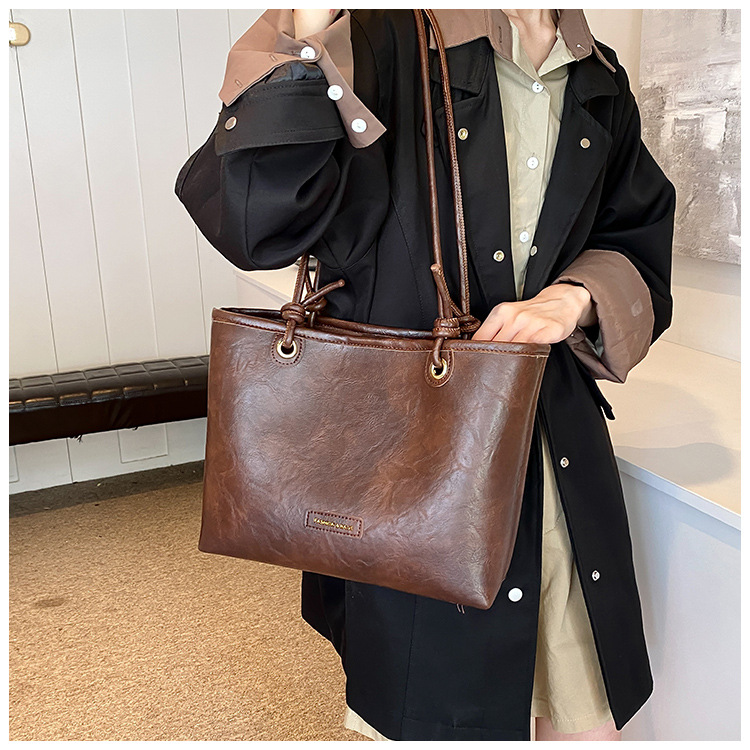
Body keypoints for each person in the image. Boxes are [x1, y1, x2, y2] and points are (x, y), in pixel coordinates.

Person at [176, 8, 675, 742]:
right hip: (404, 459)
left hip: (550, 443)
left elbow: (633, 231)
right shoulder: (380, 36)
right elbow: (255, 224)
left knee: (582, 713)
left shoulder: (598, 74)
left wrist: (574, 297)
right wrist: (304, 34)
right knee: (434, 707)